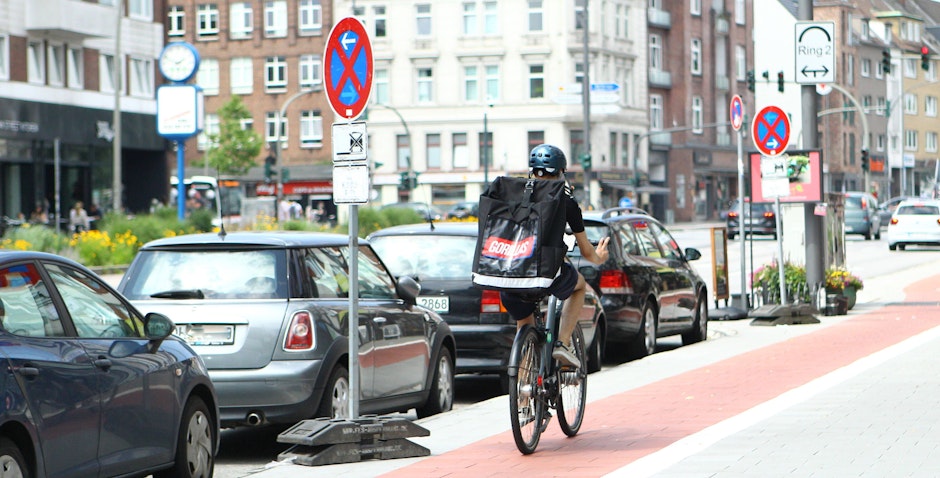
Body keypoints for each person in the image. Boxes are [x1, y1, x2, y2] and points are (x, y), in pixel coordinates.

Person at [499, 144, 610, 368]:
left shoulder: (511, 195)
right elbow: (587, 252)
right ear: (561, 173)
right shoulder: (566, 202)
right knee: (579, 285)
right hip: (545, 275)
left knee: (524, 326)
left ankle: (523, 391)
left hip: (508, 276)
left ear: (533, 171)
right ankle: (563, 343)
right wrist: (599, 256)